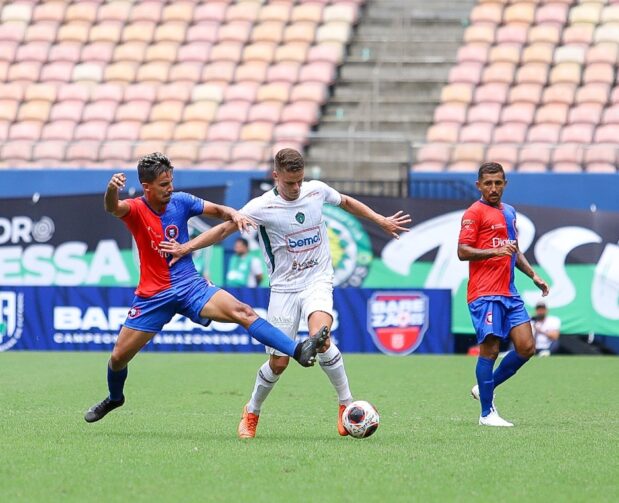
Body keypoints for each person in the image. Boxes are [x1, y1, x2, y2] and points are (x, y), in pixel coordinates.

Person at [160, 148, 411, 438]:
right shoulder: (261, 207)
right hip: (284, 289)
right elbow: (224, 230)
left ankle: (345, 404)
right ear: (276, 175)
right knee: (278, 362)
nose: (296, 188)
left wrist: (380, 220)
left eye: (300, 181)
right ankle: (252, 411)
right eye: (290, 182)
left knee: (321, 337)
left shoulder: (316, 191)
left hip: (317, 279)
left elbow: (346, 202)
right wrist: (186, 247)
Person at [84, 153, 328, 423]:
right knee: (118, 358)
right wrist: (110, 190)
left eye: (171, 182)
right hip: (153, 296)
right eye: (164, 185)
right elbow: (112, 208)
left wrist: (234, 213)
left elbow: (218, 211)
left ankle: (298, 350)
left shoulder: (182, 201)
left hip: (190, 286)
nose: (170, 189)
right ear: (147, 187)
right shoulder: (136, 209)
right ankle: (115, 398)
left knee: (243, 312)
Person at [457, 162, 549, 427]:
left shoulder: (509, 212)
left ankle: (484, 387)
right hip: (484, 293)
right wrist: (494, 252)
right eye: (488, 183)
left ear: (505, 183)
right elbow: (463, 251)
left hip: (510, 292)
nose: (493, 188)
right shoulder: (474, 213)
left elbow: (514, 250)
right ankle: (487, 414)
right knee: (490, 350)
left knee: (527, 347)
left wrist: (533, 275)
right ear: (479, 185)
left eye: (498, 183)